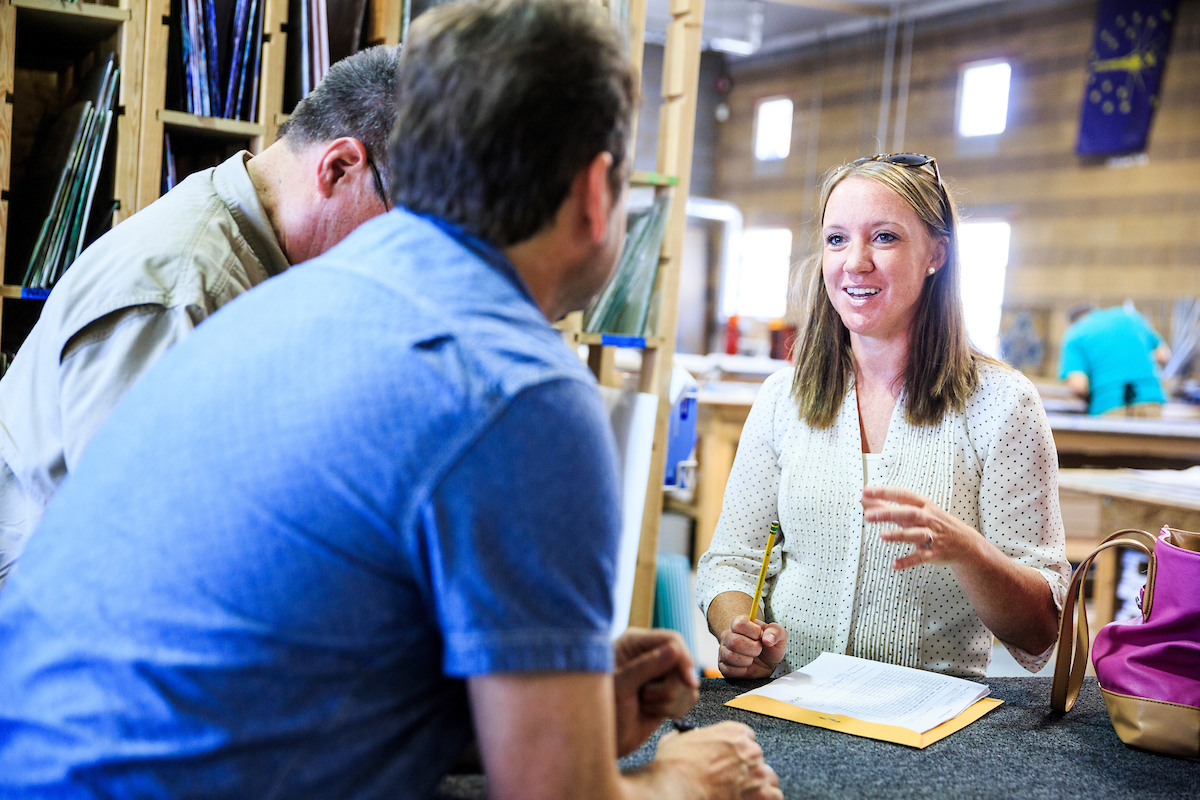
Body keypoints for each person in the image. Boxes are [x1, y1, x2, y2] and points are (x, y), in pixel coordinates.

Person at [0, 2, 781, 799]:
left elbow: (262, 652)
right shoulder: (520, 386)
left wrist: (528, 699)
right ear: (594, 191)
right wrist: (687, 781)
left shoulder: (277, 301)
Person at [0, 45, 401, 583]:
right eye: (406, 224)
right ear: (340, 167)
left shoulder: (259, 248)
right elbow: (133, 567)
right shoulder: (180, 292)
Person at [697, 153, 1070, 680]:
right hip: (791, 706)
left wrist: (968, 551)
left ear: (936, 254)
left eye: (885, 237)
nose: (854, 261)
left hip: (932, 732)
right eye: (837, 239)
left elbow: (1042, 630)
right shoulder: (784, 398)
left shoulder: (1002, 405)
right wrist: (739, 629)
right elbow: (729, 562)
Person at [1058, 302, 1171, 416]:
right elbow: (1164, 354)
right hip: (1151, 399)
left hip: (1109, 406)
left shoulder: (1075, 333)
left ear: (1073, 322)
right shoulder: (1131, 317)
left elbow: (1079, 385)